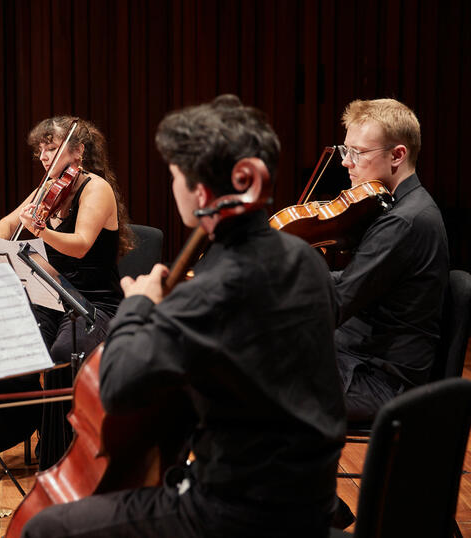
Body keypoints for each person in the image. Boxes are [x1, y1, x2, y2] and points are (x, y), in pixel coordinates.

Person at [20, 96, 346, 537]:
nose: (173, 185)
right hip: (310, 500)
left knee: (46, 527)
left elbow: (116, 388)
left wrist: (139, 306)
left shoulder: (210, 290)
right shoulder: (305, 260)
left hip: (239, 514)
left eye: (174, 175)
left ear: (201, 192)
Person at [0, 116, 133, 470]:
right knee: (7, 341)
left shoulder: (95, 188)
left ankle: (62, 456)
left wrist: (42, 232)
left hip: (94, 303)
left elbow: (81, 245)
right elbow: (7, 225)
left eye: (52, 148)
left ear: (77, 151)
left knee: (65, 352)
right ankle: (35, 423)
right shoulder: (48, 188)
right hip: (51, 294)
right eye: (40, 150)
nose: (44, 157)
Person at [332, 98, 449, 423]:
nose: (347, 163)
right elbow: (349, 282)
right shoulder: (400, 208)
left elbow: (337, 303)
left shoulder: (404, 221)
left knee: (252, 380)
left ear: (397, 155)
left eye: (358, 152)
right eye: (345, 151)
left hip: (378, 383)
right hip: (357, 361)